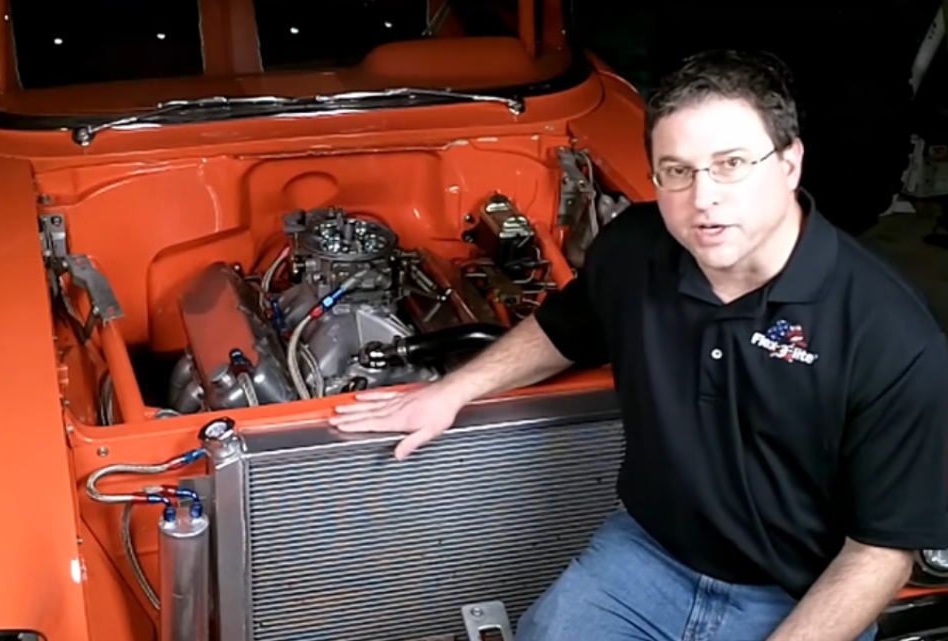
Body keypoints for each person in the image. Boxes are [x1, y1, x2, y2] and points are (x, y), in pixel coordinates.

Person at [328, 50, 948, 641]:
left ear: (789, 163)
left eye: (732, 163)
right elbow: (564, 328)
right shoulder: (636, 248)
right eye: (678, 171)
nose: (703, 198)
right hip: (648, 554)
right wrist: (453, 390)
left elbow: (881, 551)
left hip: (798, 590)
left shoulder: (891, 336)